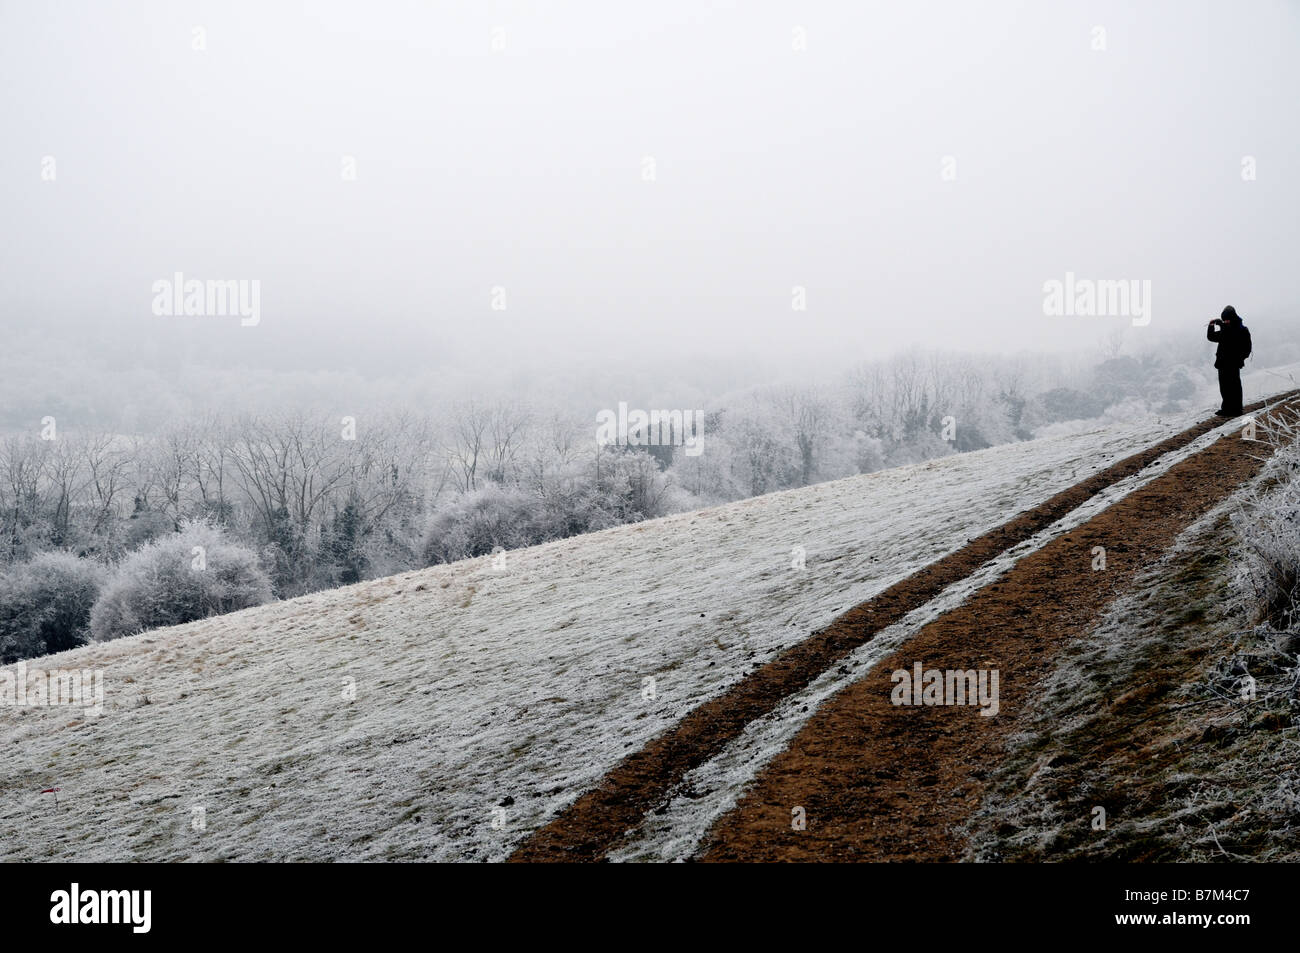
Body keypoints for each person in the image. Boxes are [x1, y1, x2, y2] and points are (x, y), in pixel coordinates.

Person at [1207, 306, 1251, 417]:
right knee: (1225, 388)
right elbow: (1211, 337)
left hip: (1233, 364)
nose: (1225, 321)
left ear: (1232, 318)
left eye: (1227, 319)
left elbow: (1247, 347)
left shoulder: (1240, 330)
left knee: (1234, 387)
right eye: (1224, 320)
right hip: (1223, 364)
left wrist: (1240, 359)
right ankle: (1227, 409)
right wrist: (1211, 325)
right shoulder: (1228, 329)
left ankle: (1236, 410)